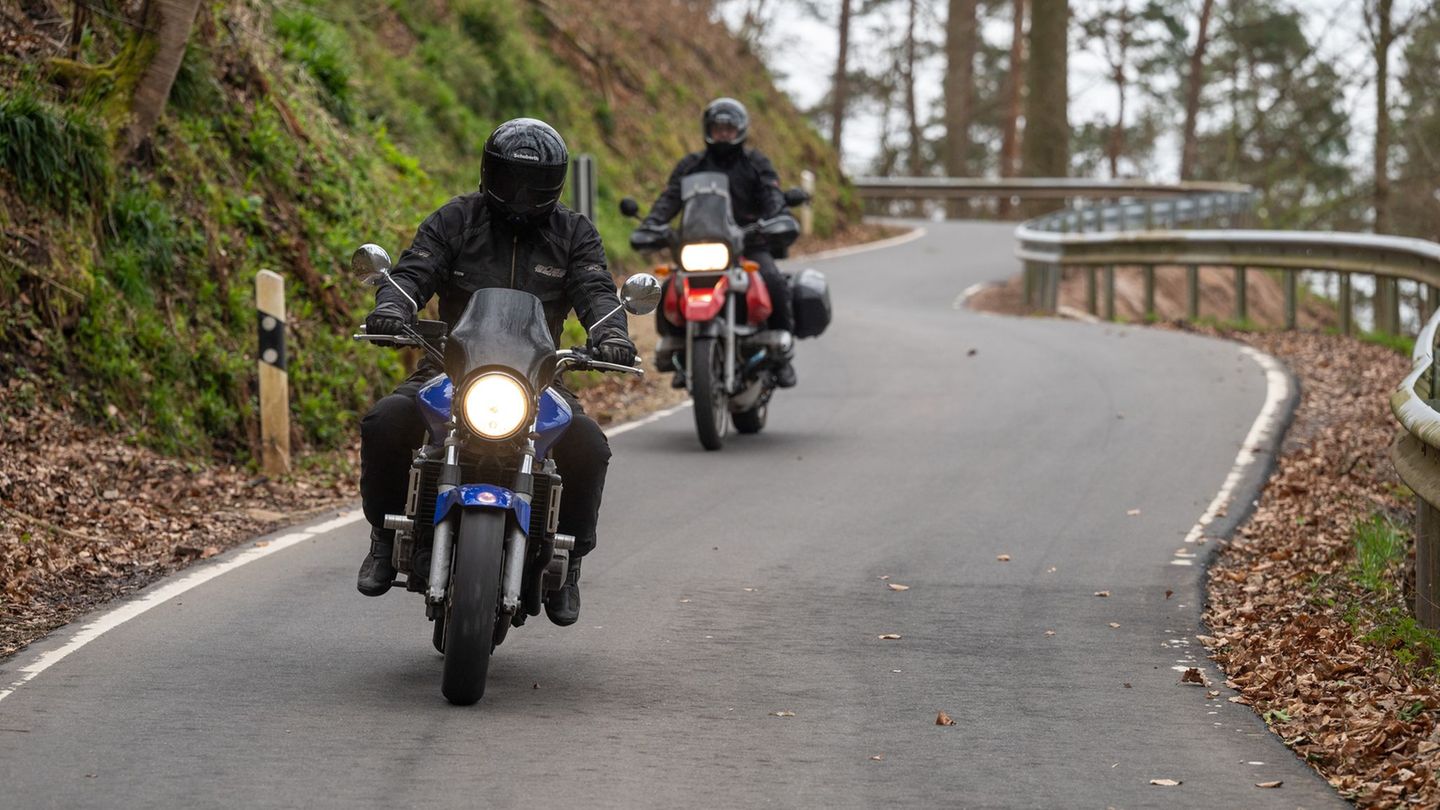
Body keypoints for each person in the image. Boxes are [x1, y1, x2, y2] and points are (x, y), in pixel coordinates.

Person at [356, 118, 636, 627]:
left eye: (534, 183)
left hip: (539, 377)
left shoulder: (573, 233)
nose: (522, 193)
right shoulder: (456, 219)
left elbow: (596, 290)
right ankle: (383, 535)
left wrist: (611, 334)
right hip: (450, 367)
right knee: (386, 421)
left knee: (588, 445)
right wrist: (393, 307)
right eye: (511, 179)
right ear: (490, 172)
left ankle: (569, 560)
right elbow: (416, 270)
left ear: (555, 183)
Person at [638, 97, 798, 388]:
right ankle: (679, 351)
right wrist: (652, 224)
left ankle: (782, 357)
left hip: (749, 243)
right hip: (699, 245)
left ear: (740, 130)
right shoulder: (691, 166)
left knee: (773, 280)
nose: (723, 134)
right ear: (708, 130)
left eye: (729, 128)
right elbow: (669, 199)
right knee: (669, 286)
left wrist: (778, 217)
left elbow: (772, 196)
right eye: (718, 128)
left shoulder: (756, 163)